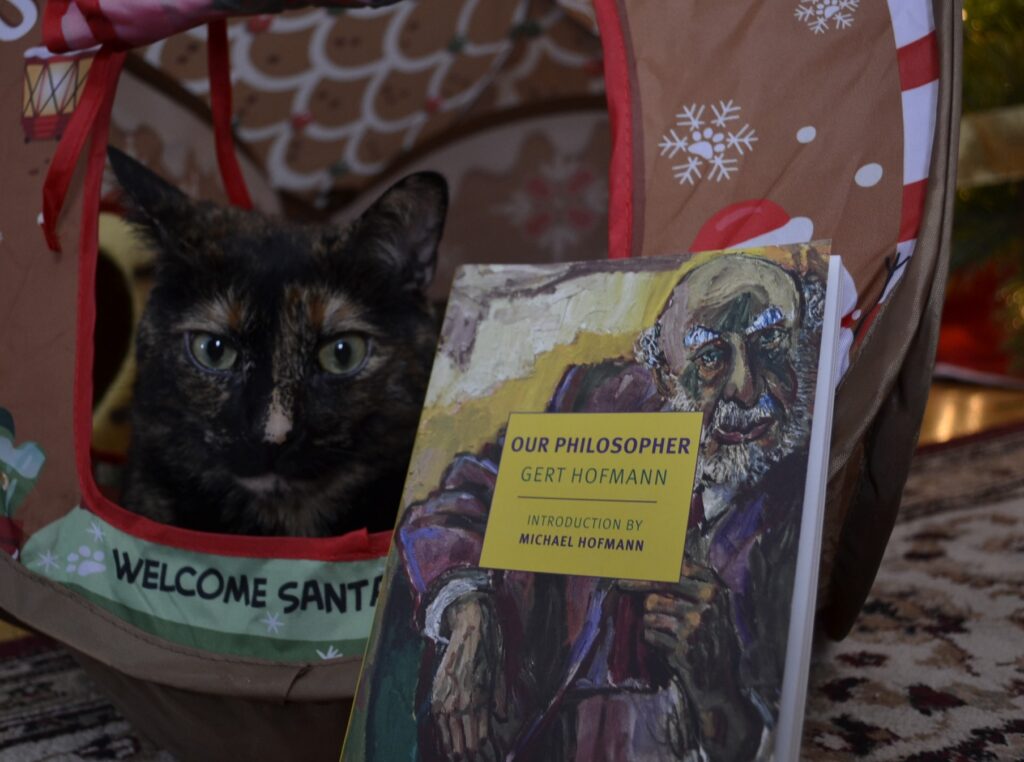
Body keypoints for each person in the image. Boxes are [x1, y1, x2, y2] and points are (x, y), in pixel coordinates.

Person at [394, 254, 826, 761]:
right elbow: (455, 503)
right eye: (710, 357)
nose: (746, 388)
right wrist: (469, 611)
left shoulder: (809, 487)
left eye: (769, 343)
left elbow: (774, 730)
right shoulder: (597, 400)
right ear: (666, 378)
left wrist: (718, 690)